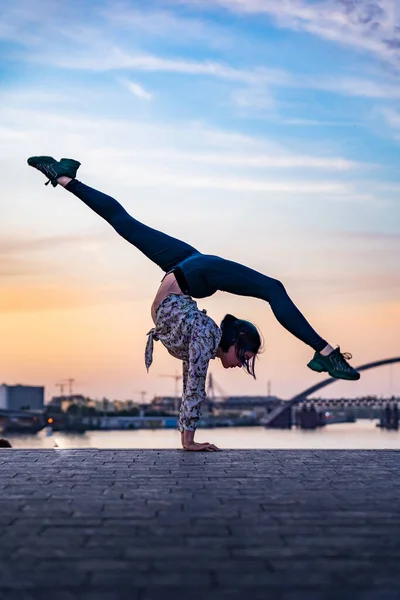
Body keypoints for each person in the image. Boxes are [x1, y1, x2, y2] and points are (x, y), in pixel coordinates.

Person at [27, 156, 361, 451]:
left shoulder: (202, 339)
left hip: (183, 270)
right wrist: (188, 441)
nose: (238, 365)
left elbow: (191, 379)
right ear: (236, 341)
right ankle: (326, 353)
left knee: (124, 224)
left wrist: (185, 435)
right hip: (195, 275)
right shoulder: (206, 337)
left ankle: (64, 177)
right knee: (272, 288)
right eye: (243, 356)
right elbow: (195, 386)